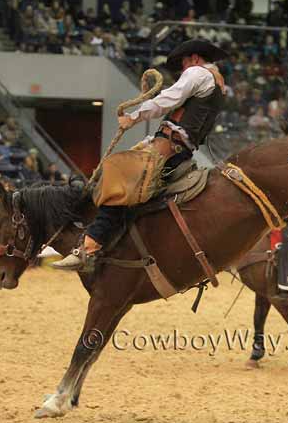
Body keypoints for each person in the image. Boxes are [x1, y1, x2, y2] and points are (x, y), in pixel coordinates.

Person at [53, 39, 228, 270]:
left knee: (118, 173)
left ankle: (89, 247)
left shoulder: (197, 73)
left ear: (194, 59)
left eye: (184, 64)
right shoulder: (217, 84)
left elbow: (168, 99)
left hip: (168, 148)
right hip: (179, 149)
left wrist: (134, 116)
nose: (183, 70)